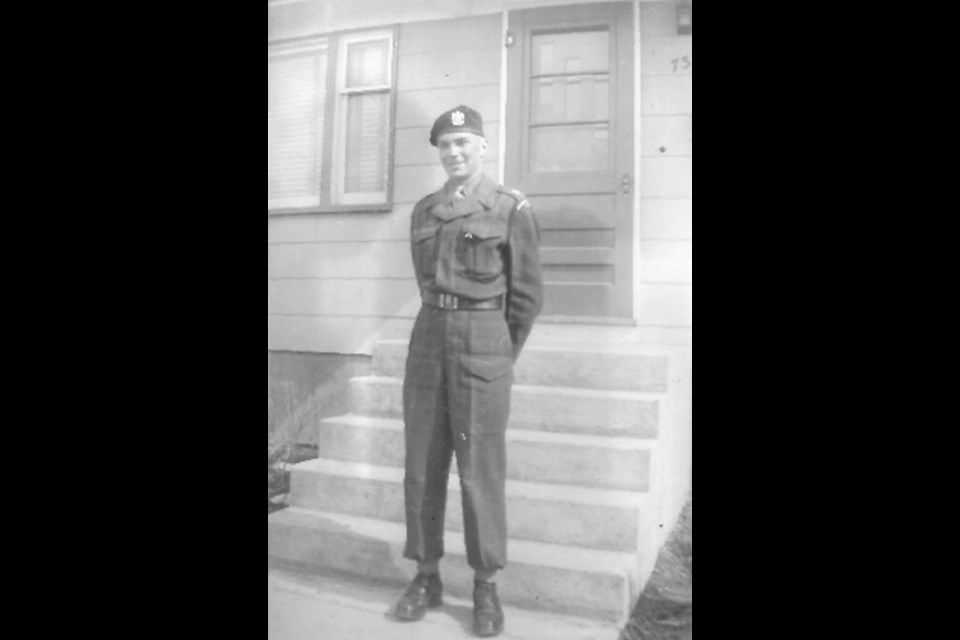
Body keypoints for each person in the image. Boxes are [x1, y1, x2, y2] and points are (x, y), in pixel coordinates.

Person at [393, 105, 543, 637]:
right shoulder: (425, 210)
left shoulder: (509, 207)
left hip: (483, 343)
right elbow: (425, 281)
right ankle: (426, 575)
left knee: (480, 471)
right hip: (430, 340)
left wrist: (499, 350)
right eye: (445, 145)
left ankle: (485, 586)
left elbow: (525, 296)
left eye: (463, 143)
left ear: (482, 146)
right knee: (422, 467)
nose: (454, 153)